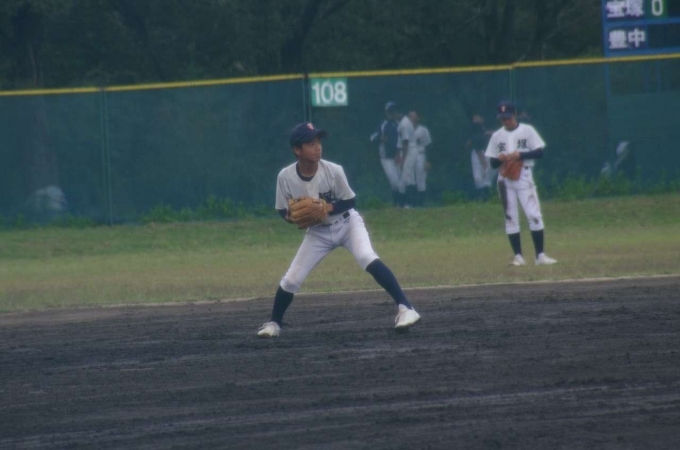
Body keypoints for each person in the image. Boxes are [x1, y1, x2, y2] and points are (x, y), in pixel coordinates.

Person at [257, 122, 422, 338]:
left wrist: (328, 207)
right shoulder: (285, 177)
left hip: (347, 224)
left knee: (366, 256)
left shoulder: (333, 170)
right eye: (311, 144)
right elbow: (282, 209)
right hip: (317, 233)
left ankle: (406, 308)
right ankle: (274, 323)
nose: (318, 147)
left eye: (319, 142)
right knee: (291, 279)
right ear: (297, 149)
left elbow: (350, 201)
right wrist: (291, 217)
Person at [484, 101, 558, 267]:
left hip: (523, 175)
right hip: (505, 179)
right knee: (510, 217)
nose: (505, 121)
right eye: (502, 119)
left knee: (533, 214)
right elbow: (493, 163)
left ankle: (540, 256)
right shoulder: (497, 136)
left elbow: (539, 152)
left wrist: (521, 155)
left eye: (508, 117)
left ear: (514, 115)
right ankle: (518, 256)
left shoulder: (527, 130)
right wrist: (499, 159)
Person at [370, 102, 401, 206]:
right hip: (386, 157)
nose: (393, 114)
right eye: (391, 112)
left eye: (394, 111)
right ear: (387, 113)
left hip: (398, 156)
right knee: (394, 181)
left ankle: (399, 204)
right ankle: (397, 203)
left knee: (400, 181)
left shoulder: (400, 124)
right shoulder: (383, 125)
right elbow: (372, 138)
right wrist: (380, 138)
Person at [467, 113, 496, 199]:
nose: (475, 121)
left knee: (487, 175)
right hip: (478, 154)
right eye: (474, 119)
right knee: (479, 175)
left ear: (482, 119)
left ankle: (488, 194)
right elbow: (475, 148)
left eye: (477, 118)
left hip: (488, 153)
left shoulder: (487, 131)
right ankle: (482, 196)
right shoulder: (474, 132)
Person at [408, 111, 432, 207]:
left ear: (418, 118)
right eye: (410, 116)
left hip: (420, 155)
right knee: (410, 180)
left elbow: (428, 145)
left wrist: (427, 160)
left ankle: (421, 204)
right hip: (409, 155)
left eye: (414, 116)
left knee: (420, 180)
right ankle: (412, 204)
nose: (412, 118)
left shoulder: (423, 130)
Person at [396, 105, 417, 208]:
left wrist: (402, 159)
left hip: (410, 150)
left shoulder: (404, 124)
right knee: (408, 178)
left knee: (405, 177)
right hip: (407, 150)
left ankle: (406, 203)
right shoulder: (403, 122)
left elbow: (405, 142)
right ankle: (406, 203)